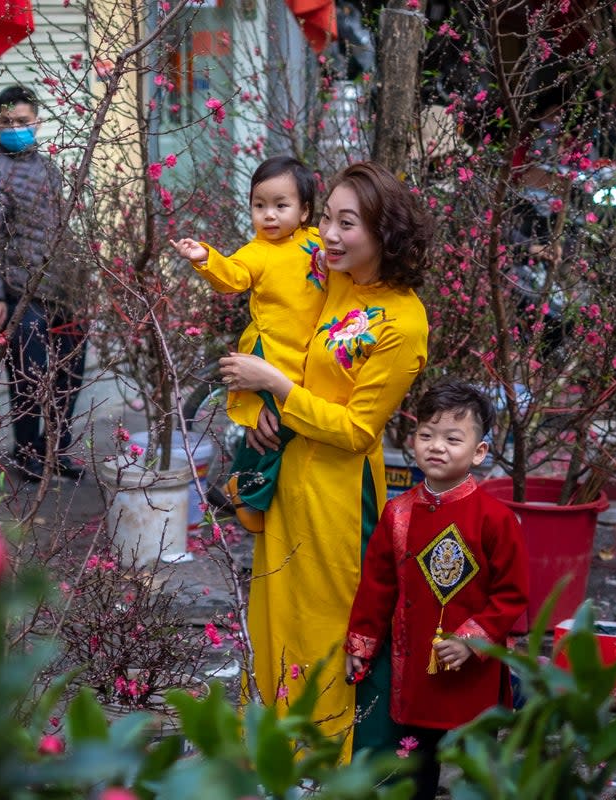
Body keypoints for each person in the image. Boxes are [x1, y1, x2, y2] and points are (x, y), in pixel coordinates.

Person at [218, 161, 434, 760]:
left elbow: (359, 430)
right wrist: (262, 403)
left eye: (348, 223)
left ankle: (331, 758)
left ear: (384, 232)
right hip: (288, 471)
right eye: (329, 220)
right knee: (275, 609)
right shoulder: (330, 276)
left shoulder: (402, 321)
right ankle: (273, 747)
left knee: (325, 622)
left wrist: (278, 388)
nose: (330, 237)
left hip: (337, 493)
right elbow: (277, 318)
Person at [345, 382, 528, 799]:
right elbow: (377, 586)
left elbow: (512, 594)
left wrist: (470, 640)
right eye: (426, 435)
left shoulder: (495, 520)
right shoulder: (398, 513)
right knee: (415, 763)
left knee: (474, 763)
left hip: (472, 671)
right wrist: (360, 644)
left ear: (479, 452)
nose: (436, 447)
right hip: (414, 672)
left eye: (452, 438)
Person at [170, 155, 325, 532]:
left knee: (290, 429)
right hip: (270, 355)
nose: (268, 215)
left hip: (305, 356)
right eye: (260, 206)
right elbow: (233, 276)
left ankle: (251, 489)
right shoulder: (257, 251)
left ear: (304, 212)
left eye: (280, 205)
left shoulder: (318, 242)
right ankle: (246, 488)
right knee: (274, 428)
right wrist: (205, 257)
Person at [0, 85, 87, 483]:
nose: (17, 128)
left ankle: (56, 449)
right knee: (28, 377)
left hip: (65, 289)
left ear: (37, 122)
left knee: (69, 373)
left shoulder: (48, 167)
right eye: (8, 122)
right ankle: (24, 453)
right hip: (21, 291)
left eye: (24, 121)